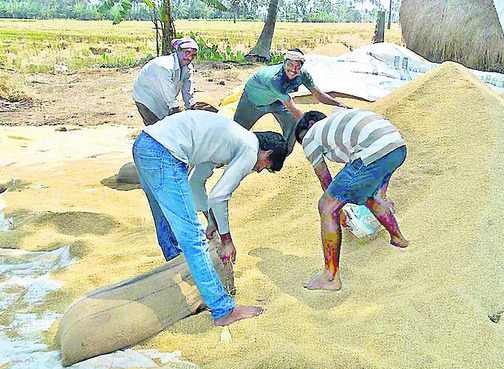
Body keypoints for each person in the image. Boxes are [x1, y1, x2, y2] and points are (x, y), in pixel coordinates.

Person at [132, 109, 288, 325]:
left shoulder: (228, 139)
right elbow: (219, 196)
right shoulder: (250, 149)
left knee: (166, 224)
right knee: (194, 239)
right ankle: (223, 310)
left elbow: (196, 183)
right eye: (265, 166)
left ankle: (181, 271)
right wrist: (227, 241)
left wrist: (212, 221)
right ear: (267, 153)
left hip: (145, 144)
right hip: (165, 152)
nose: (259, 170)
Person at [293, 109, 409, 291]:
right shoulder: (339, 122)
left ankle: (330, 277)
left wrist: (336, 212)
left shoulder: (310, 135)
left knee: (326, 205)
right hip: (397, 147)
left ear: (308, 125)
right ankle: (398, 238)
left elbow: (326, 182)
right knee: (370, 195)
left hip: (373, 151)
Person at [233, 48, 350, 153]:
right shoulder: (275, 79)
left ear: (301, 66)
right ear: (284, 63)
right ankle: (228, 155)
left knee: (293, 123)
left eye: (297, 65)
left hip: (276, 101)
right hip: (253, 101)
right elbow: (292, 107)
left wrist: (339, 104)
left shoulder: (303, 75)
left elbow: (318, 95)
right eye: (290, 64)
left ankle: (283, 153)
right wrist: (314, 126)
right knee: (237, 130)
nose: (293, 69)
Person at [132, 37, 199, 126]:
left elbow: (188, 88)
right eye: (187, 52)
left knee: (167, 127)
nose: (190, 57)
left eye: (193, 55)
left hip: (162, 99)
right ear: (178, 51)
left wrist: (191, 107)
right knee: (155, 129)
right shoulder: (164, 66)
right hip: (146, 97)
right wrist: (179, 116)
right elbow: (169, 95)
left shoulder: (188, 67)